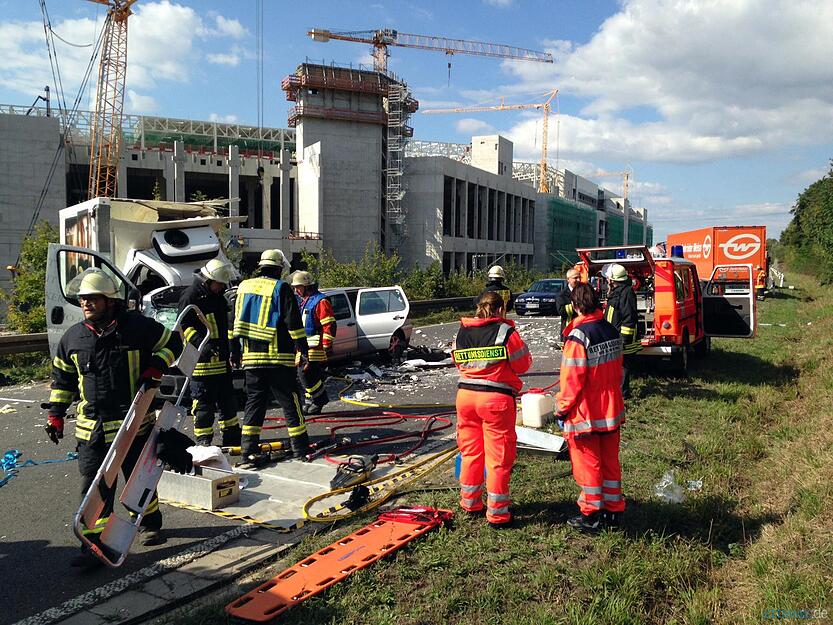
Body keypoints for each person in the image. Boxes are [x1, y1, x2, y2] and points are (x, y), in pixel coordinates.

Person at [45, 268, 182, 565]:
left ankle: (150, 520)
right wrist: (56, 414)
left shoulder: (137, 328)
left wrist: (157, 366)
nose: (86, 304)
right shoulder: (73, 338)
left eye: (93, 298)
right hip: (91, 430)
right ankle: (95, 543)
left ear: (110, 301)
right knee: (96, 486)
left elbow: (174, 343)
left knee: (137, 479)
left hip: (132, 424)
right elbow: (62, 381)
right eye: (83, 299)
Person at [452, 291, 532, 529]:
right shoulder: (505, 332)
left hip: (466, 398)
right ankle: (497, 513)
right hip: (495, 400)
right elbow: (523, 364)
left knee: (470, 453)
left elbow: (458, 362)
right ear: (500, 309)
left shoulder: (462, 331)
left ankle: (470, 502)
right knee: (497, 458)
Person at [556, 282, 625, 532]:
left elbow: (572, 382)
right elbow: (618, 370)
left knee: (589, 465)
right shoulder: (611, 330)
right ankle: (614, 512)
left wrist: (561, 410)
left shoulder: (578, 337)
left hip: (586, 414)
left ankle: (592, 516)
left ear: (575, 306)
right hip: (611, 410)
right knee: (609, 464)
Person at [233, 250, 310, 468]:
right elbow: (292, 321)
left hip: (251, 359)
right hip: (278, 359)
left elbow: (234, 322)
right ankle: (300, 448)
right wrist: (302, 350)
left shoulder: (244, 287)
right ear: (278, 268)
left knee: (254, 404)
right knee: (290, 402)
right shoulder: (280, 287)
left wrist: (234, 352)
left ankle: (248, 449)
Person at [178, 258, 241, 447]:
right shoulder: (191, 296)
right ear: (208, 280)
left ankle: (231, 436)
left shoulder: (217, 297)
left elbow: (225, 327)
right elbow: (183, 325)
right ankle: (204, 440)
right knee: (204, 404)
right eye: (219, 284)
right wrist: (202, 345)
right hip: (202, 364)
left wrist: (233, 351)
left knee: (228, 402)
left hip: (221, 362)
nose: (222, 287)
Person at [291, 270, 337, 415]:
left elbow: (329, 325)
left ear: (307, 286)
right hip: (303, 346)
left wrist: (326, 345)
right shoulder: (303, 301)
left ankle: (319, 399)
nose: (296, 290)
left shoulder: (320, 301)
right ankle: (311, 402)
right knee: (308, 376)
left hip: (314, 347)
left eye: (298, 287)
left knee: (305, 374)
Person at [603, 263, 640, 399]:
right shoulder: (617, 292)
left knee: (623, 366)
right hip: (615, 336)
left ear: (613, 280)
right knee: (616, 366)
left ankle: (623, 395)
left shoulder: (626, 292)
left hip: (624, 338)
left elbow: (629, 317)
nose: (607, 280)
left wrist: (624, 339)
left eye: (608, 278)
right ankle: (616, 392)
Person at [555, 268, 581, 338]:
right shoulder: (562, 295)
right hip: (569, 329)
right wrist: (577, 306)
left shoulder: (584, 291)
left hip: (583, 329)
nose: (579, 280)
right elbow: (561, 311)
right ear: (568, 280)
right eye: (575, 278)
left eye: (579, 277)